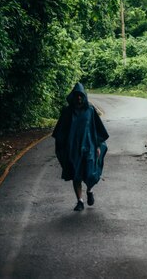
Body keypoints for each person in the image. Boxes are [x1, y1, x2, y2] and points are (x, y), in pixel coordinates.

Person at [52, 82, 109, 211]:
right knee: (76, 174)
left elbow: (97, 129)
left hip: (89, 147)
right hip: (73, 149)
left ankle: (89, 190)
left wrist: (98, 145)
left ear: (84, 96)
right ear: (72, 96)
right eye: (76, 95)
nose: (79, 98)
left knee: (90, 174)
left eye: (81, 95)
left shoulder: (90, 110)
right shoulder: (67, 112)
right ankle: (80, 201)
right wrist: (62, 147)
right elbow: (61, 131)